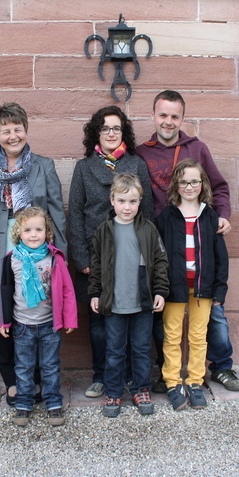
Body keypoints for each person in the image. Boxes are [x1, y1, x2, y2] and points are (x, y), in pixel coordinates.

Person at [135, 89, 239, 393]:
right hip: (162, 244)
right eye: (163, 115)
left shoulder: (196, 149)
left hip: (197, 240)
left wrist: (222, 215)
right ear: (153, 116)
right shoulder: (141, 153)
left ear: (182, 118)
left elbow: (219, 186)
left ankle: (221, 366)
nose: (168, 121)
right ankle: (167, 373)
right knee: (163, 315)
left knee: (213, 313)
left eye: (175, 116)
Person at [0, 102, 67, 406]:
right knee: (7, 318)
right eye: (6, 130)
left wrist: (60, 254)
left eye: (18, 128)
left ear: (26, 129)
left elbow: (56, 212)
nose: (13, 136)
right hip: (1, 257)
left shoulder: (43, 166)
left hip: (39, 257)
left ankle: (37, 380)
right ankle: (13, 381)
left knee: (38, 318)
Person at [67, 106, 153, 399]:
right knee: (99, 322)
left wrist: (146, 259)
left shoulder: (136, 165)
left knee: (131, 319)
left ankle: (129, 377)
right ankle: (101, 376)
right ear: (97, 133)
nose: (111, 133)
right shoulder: (83, 167)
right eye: (105, 128)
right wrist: (82, 259)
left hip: (131, 258)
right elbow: (75, 214)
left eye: (116, 128)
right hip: (95, 258)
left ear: (123, 132)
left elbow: (148, 213)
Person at [89, 173, 169, 418]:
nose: (127, 207)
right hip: (114, 303)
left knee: (142, 349)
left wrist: (160, 291)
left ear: (140, 201)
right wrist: (95, 293)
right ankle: (113, 391)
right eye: (122, 201)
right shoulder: (104, 231)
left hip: (143, 302)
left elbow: (160, 262)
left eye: (133, 201)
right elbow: (96, 265)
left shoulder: (148, 229)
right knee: (114, 350)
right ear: (112, 200)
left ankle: (141, 389)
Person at [156, 159, 229, 410]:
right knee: (172, 336)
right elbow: (158, 254)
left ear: (202, 184)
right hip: (173, 287)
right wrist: (159, 287)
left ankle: (195, 381)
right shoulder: (167, 217)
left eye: (194, 181)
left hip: (203, 288)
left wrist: (220, 289)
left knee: (198, 336)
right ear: (176, 185)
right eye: (184, 182)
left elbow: (221, 257)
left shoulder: (209, 216)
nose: (189, 187)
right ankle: (172, 382)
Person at [0, 207, 77, 427]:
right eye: (28, 230)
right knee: (23, 367)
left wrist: (69, 319)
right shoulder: (11, 260)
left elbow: (67, 290)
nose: (33, 235)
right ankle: (23, 403)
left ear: (47, 232)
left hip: (50, 324)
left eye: (39, 230)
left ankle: (53, 402)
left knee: (50, 366)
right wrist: (3, 320)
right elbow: (3, 292)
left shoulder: (54, 259)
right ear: (18, 233)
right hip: (22, 325)